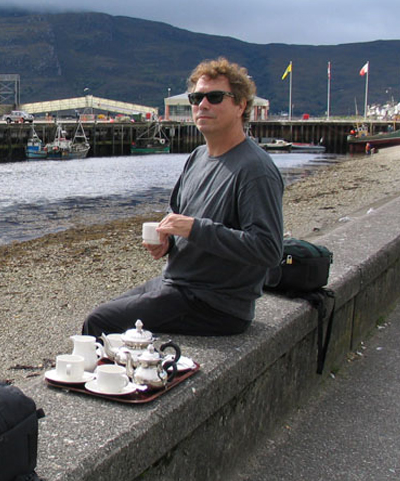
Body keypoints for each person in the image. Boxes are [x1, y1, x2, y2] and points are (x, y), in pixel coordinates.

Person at [83, 57, 284, 337]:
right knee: (102, 315)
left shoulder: (255, 169)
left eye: (215, 97)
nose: (203, 105)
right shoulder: (197, 157)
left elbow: (268, 249)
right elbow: (176, 215)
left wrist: (193, 228)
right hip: (178, 284)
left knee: (101, 323)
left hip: (217, 304)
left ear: (241, 105)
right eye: (196, 98)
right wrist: (166, 242)